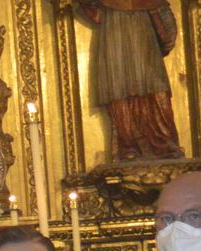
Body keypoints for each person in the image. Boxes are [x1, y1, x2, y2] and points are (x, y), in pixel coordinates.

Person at [73, 0, 184, 159]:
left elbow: (166, 27)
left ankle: (163, 141)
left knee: (156, 89)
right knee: (120, 89)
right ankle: (128, 144)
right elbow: (95, 15)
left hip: (145, 43)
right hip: (115, 36)